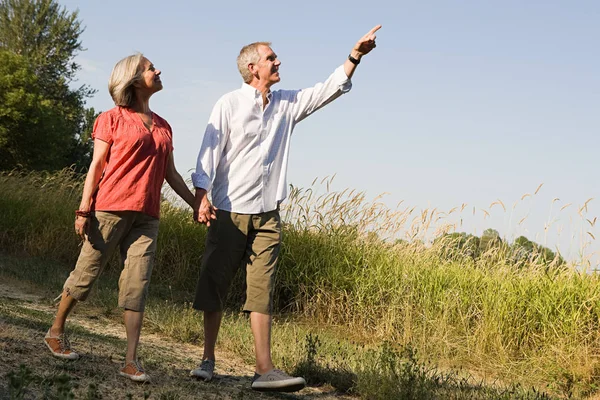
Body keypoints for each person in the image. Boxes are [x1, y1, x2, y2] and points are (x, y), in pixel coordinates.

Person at [190, 25, 381, 392]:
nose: (278, 62)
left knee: (261, 290)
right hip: (229, 211)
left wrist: (354, 56)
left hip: (268, 215)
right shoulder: (228, 104)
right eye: (271, 58)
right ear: (252, 68)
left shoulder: (287, 104)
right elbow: (208, 154)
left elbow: (326, 90)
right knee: (214, 283)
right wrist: (202, 195)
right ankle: (207, 359)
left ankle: (264, 370)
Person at [44, 53, 195, 383]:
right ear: (135, 79)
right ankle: (55, 330)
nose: (158, 70)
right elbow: (96, 167)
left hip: (147, 216)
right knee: (87, 272)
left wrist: (196, 204)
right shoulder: (111, 119)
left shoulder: (164, 126)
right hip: (110, 209)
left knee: (137, 283)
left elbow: (170, 173)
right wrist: (83, 210)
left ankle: (130, 360)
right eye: (151, 68)